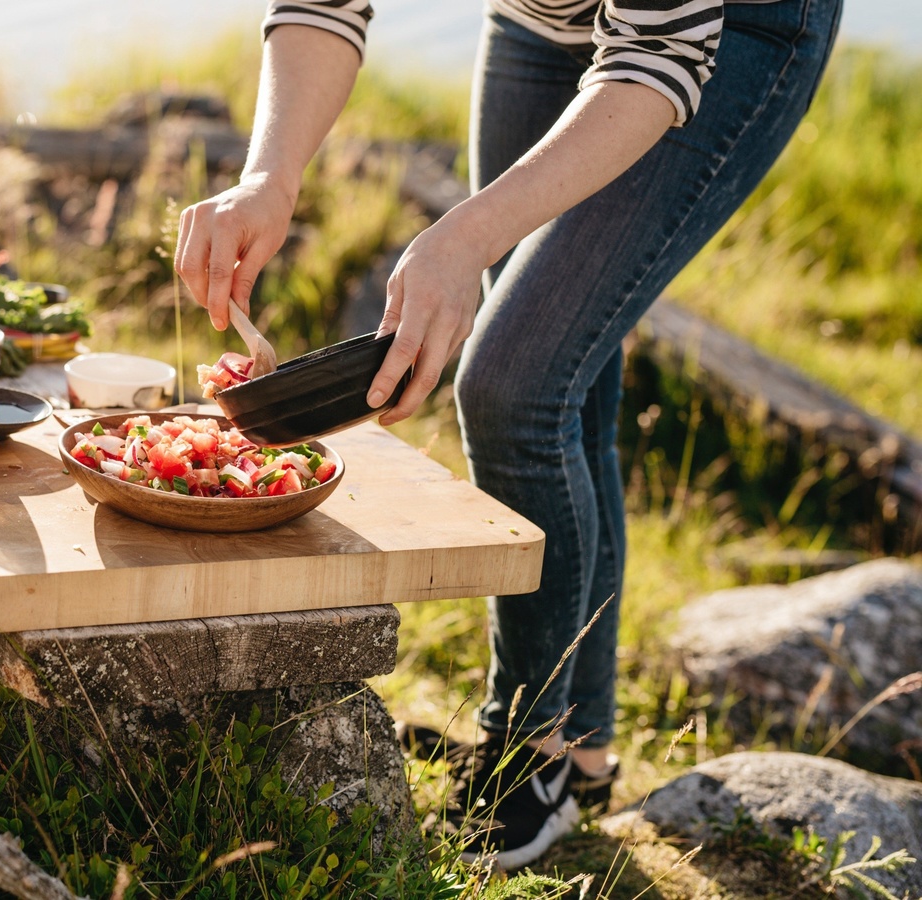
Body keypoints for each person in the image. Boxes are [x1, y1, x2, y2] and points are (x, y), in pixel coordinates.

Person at [173, 0, 842, 869]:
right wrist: (271, 174)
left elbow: (659, 51)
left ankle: (527, 753)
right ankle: (580, 751)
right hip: (539, 21)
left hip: (716, 35)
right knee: (571, 381)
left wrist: (464, 236)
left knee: (513, 385)